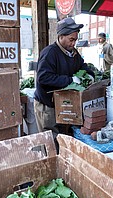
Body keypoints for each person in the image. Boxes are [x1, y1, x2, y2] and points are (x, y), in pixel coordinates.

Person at [34, 17, 95, 151]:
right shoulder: (50, 53)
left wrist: (89, 74)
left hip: (64, 104)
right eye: (71, 39)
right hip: (48, 106)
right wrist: (70, 80)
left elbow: (83, 66)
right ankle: (49, 167)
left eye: (75, 40)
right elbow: (43, 78)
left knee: (62, 139)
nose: (74, 43)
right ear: (61, 36)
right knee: (50, 141)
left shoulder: (73, 53)